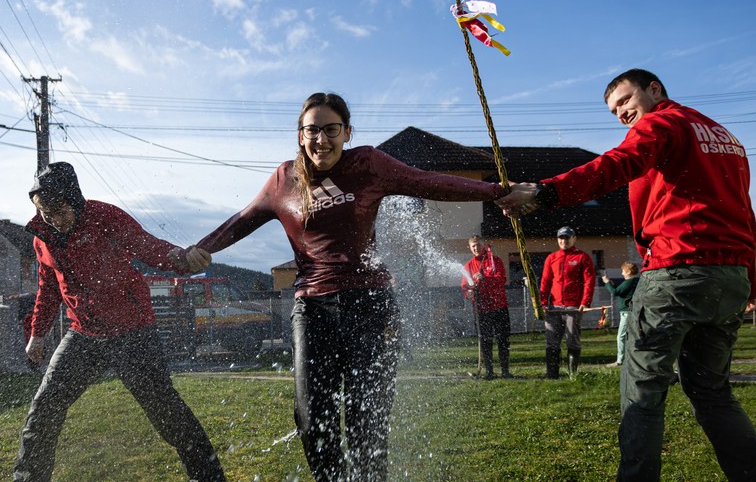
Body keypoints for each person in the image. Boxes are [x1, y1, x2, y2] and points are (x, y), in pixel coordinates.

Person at [192, 92, 506, 481]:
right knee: (312, 421)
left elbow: (427, 182)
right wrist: (201, 249)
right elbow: (242, 219)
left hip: (370, 304)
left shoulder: (367, 164)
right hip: (312, 309)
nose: (321, 140)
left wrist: (497, 193)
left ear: (347, 132)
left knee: (366, 424)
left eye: (331, 130)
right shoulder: (284, 179)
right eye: (312, 130)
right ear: (300, 134)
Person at [496, 69, 756, 480]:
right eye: (614, 111)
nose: (622, 113)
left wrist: (545, 192)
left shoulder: (660, 123)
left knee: (642, 393)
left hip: (678, 270)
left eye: (625, 100)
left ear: (654, 89)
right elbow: (744, 210)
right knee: (713, 393)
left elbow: (618, 163)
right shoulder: (724, 136)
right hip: (727, 276)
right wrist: (748, 276)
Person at [14, 162, 226, 482]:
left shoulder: (105, 218)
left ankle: (209, 476)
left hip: (133, 332)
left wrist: (182, 258)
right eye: (46, 213)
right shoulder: (42, 238)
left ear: (75, 200)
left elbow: (147, 246)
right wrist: (37, 334)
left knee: (166, 413)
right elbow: (49, 288)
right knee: (45, 407)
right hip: (84, 334)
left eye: (60, 212)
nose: (55, 220)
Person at [539, 226, 595, 378]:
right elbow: (545, 282)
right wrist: (543, 302)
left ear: (574, 239)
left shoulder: (582, 257)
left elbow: (589, 281)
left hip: (573, 307)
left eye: (567, 238)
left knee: (572, 341)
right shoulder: (551, 258)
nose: (564, 241)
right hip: (553, 308)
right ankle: (552, 374)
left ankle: (572, 375)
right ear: (557, 240)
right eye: (561, 238)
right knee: (552, 342)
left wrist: (585, 302)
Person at [460, 234, 512, 379]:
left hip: (499, 306)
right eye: (473, 246)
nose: (476, 248)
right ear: (470, 248)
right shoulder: (468, 266)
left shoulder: (495, 261)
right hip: (481, 309)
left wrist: (485, 279)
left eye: (478, 245)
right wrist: (469, 293)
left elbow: (501, 279)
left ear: (483, 245)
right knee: (485, 341)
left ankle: (505, 370)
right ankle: (489, 371)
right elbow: (465, 287)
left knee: (503, 339)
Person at [602, 262, 640, 367]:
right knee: (634, 336)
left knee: (621, 337)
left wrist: (607, 282)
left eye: (623, 271)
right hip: (634, 311)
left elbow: (614, 292)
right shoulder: (636, 281)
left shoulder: (628, 282)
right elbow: (621, 291)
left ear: (628, 272)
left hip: (626, 313)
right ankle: (634, 359)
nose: (622, 273)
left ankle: (620, 360)